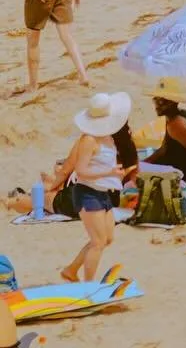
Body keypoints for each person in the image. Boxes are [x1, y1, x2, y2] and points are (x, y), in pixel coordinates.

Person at [56, 91, 130, 283]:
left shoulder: (107, 137)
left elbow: (102, 165)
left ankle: (71, 270)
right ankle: (89, 285)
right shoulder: (88, 140)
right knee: (98, 242)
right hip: (87, 193)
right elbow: (80, 171)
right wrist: (109, 173)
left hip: (102, 193)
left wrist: (115, 173)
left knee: (107, 239)